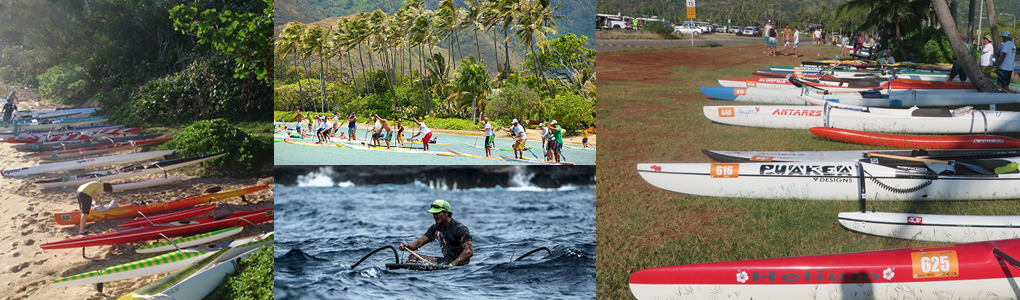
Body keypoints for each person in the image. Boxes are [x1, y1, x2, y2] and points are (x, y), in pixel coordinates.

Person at [399, 199, 473, 266]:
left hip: (460, 266)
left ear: (446, 213)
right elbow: (419, 242)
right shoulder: (435, 228)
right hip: (447, 262)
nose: (434, 216)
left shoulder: (459, 229)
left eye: (437, 213)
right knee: (413, 258)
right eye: (433, 213)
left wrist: (452, 265)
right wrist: (407, 247)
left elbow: (469, 251)